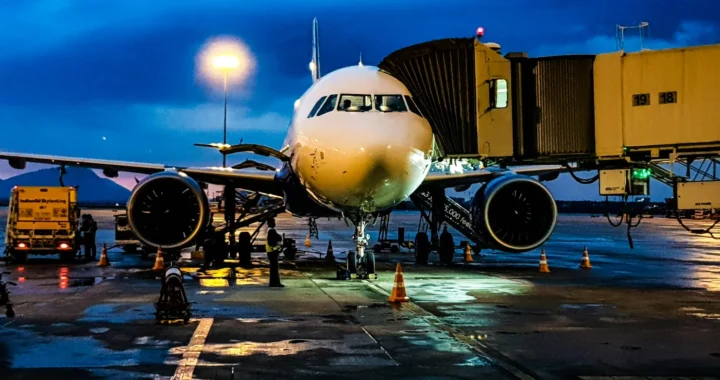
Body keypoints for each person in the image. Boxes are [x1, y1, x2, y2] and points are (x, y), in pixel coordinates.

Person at [265, 220, 284, 288]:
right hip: (272, 252)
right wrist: (277, 247)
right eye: (274, 222)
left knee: (273, 268)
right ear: (271, 223)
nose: (275, 224)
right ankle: (275, 283)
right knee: (274, 268)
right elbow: (271, 243)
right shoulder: (271, 231)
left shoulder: (269, 230)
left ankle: (273, 283)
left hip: (270, 251)